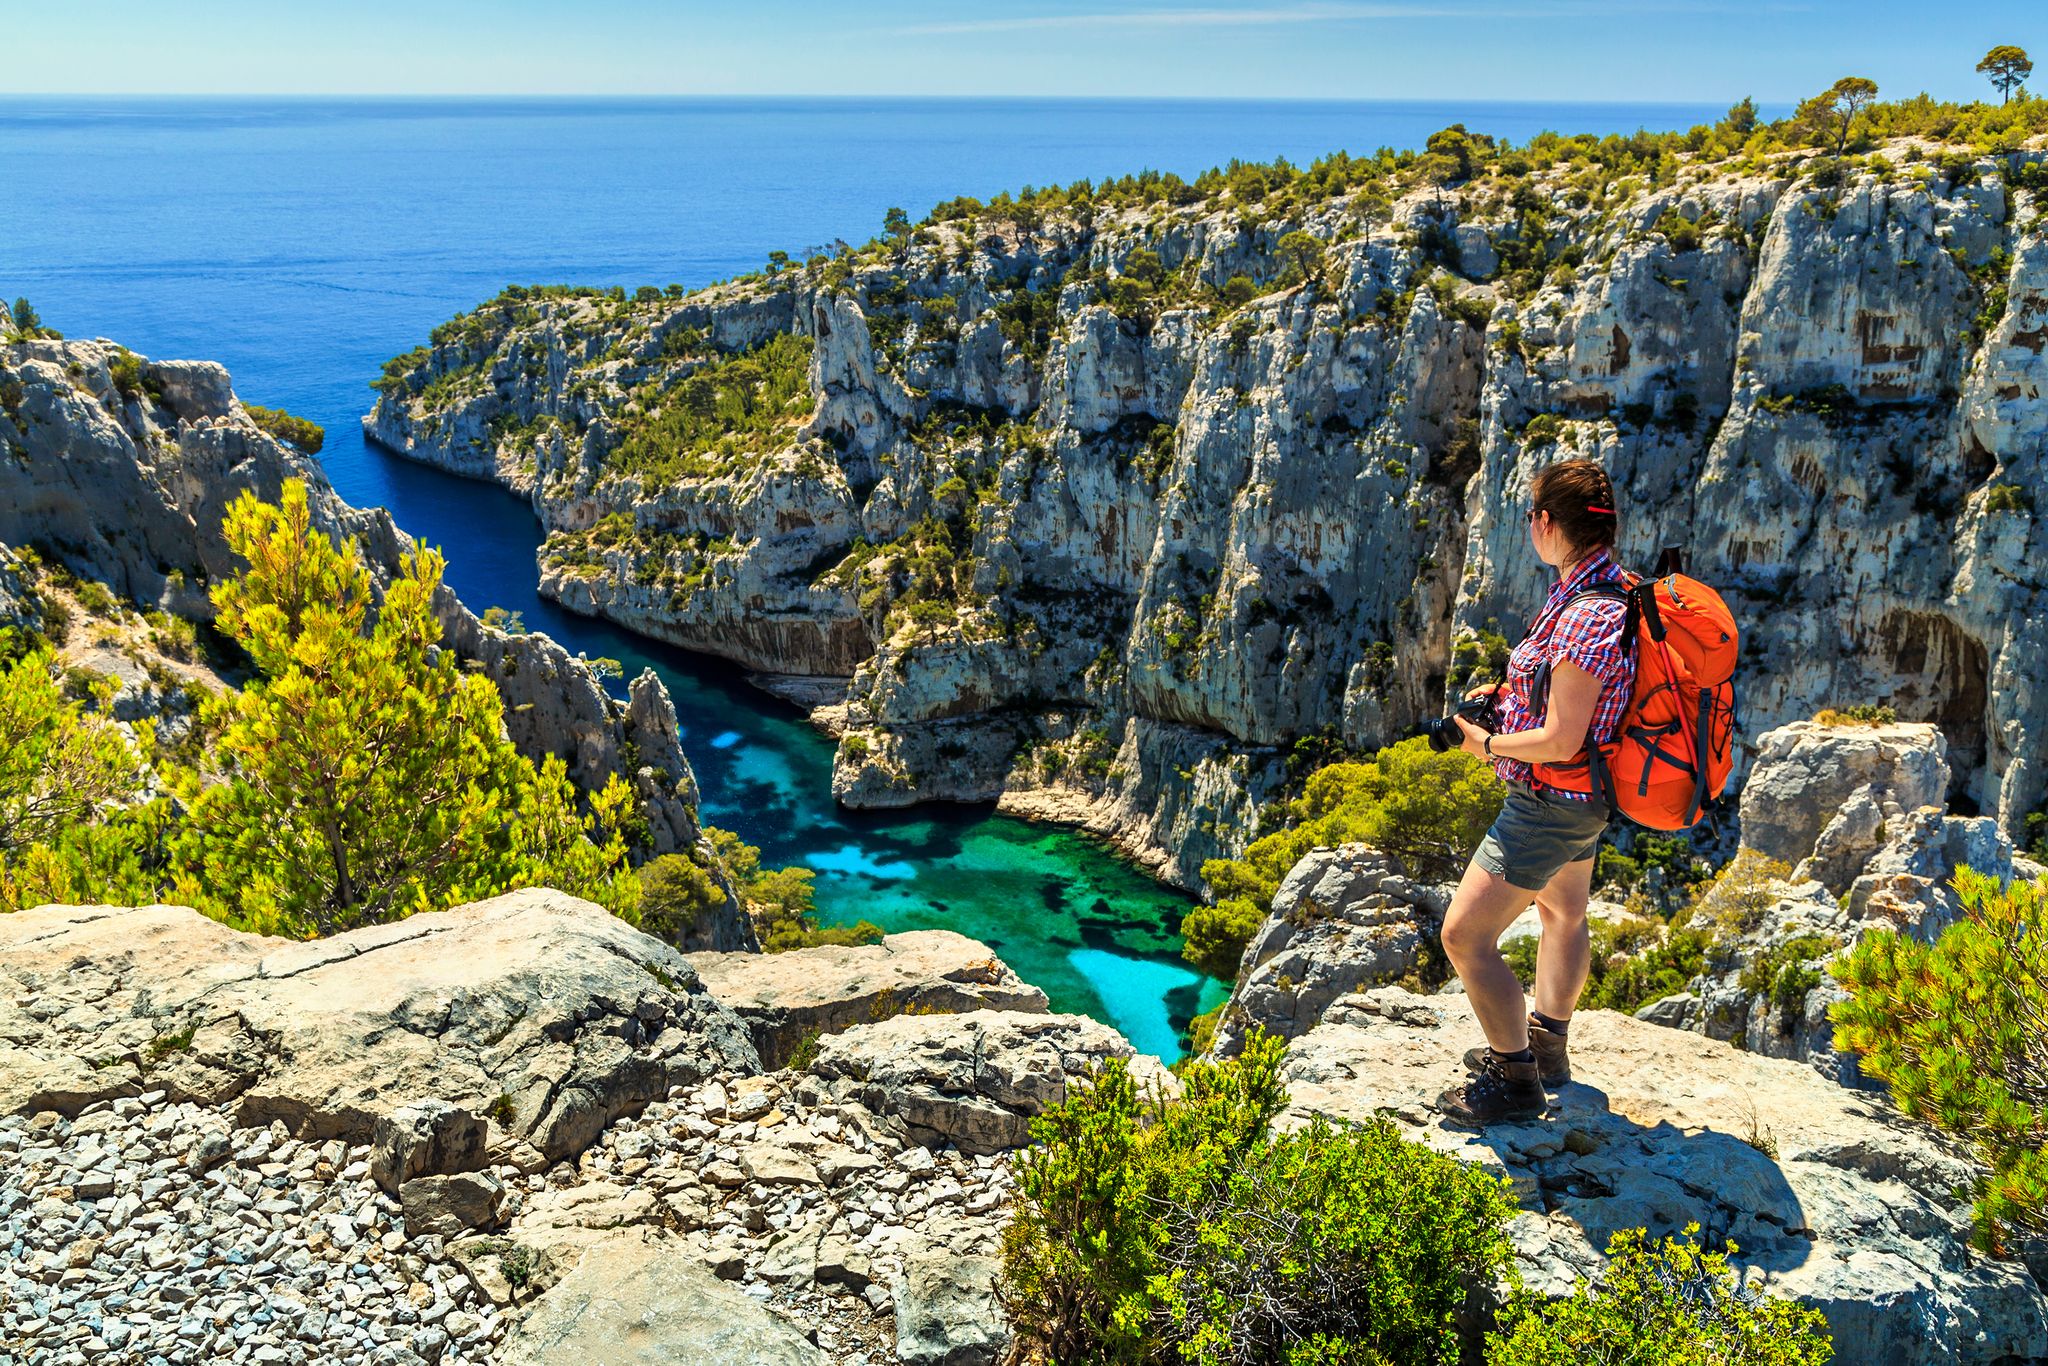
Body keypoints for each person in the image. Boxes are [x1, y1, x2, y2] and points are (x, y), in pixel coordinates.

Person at [1433, 459, 1636, 1127]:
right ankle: (1547, 1045)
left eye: (1529, 516)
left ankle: (1515, 1079)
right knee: (1564, 913)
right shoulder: (1604, 589)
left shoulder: (1589, 614)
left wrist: (1484, 744)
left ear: (1547, 522)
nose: (1528, 528)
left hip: (1550, 800)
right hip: (1585, 800)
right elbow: (1568, 696)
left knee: (1464, 937)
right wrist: (1507, 697)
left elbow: (1561, 738)